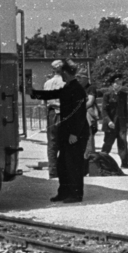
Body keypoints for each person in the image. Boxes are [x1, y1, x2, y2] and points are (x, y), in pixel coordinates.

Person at [27, 61, 89, 202]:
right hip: (67, 131)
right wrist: (33, 93)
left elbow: (79, 114)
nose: (60, 76)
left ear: (65, 73)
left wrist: (74, 133)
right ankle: (64, 192)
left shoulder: (77, 89)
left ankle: (75, 194)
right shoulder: (69, 87)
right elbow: (54, 94)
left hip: (75, 133)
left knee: (73, 164)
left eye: (61, 73)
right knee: (63, 164)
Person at [100, 73, 128, 168]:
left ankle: (124, 163)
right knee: (108, 143)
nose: (119, 85)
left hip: (121, 123)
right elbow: (104, 110)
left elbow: (125, 109)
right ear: (112, 84)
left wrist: (127, 122)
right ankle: (102, 161)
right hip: (111, 124)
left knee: (123, 142)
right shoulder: (107, 95)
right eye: (117, 83)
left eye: (120, 84)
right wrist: (109, 121)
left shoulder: (123, 95)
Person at [41, 59, 65, 170]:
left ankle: (53, 170)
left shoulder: (47, 83)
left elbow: (44, 102)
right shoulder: (66, 82)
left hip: (51, 114)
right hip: (65, 113)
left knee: (52, 143)